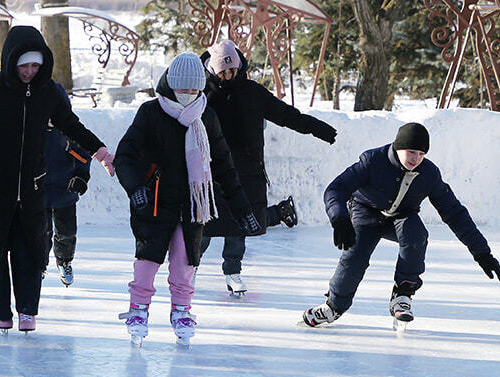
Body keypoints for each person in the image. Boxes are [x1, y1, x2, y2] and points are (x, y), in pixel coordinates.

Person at [0, 25, 115, 332]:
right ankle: (1, 310)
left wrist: (99, 151)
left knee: (30, 252)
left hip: (32, 188)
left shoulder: (48, 92)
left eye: (35, 66)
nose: (29, 71)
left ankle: (27, 310)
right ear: (11, 62)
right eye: (24, 66)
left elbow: (72, 126)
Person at [114, 52, 261, 344]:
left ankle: (181, 311)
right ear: (171, 86)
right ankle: (138, 311)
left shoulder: (205, 115)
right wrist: (136, 188)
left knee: (185, 264)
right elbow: (125, 156)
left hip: (192, 205)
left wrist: (242, 208)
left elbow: (223, 164)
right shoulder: (151, 112)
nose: (188, 96)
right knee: (147, 262)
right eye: (182, 90)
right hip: (154, 203)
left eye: (194, 90)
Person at [301, 122, 500, 328]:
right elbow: (335, 189)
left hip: (402, 216)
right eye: (412, 152)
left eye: (422, 154)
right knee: (355, 254)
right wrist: (340, 219)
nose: (416, 159)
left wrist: (482, 253)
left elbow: (454, 212)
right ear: (398, 148)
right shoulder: (372, 161)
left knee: (416, 234)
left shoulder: (429, 174)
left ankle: (402, 294)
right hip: (366, 213)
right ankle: (333, 306)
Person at [198, 39, 338, 295]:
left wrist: (318, 128)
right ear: (212, 70)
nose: (229, 76)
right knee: (205, 224)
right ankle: (190, 269)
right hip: (210, 169)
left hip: (246, 169)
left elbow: (287, 115)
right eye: (223, 71)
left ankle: (233, 271)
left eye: (233, 70)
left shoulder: (252, 92)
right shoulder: (202, 95)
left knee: (238, 225)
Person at [44, 97, 91, 287]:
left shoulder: (69, 133)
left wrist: (81, 177)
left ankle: (64, 261)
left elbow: (83, 156)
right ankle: (38, 264)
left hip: (65, 191)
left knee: (66, 232)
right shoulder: (30, 131)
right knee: (40, 232)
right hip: (38, 192)